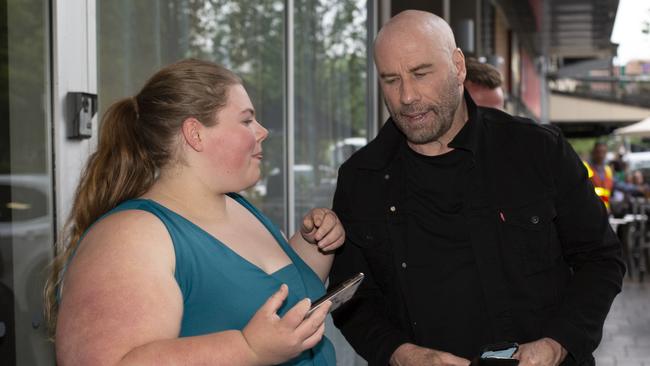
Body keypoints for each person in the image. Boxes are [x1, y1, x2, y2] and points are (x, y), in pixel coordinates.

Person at [329, 10, 625, 366]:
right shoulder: (361, 178)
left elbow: (601, 259)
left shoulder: (538, 150)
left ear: (458, 66)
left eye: (421, 73)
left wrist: (557, 344)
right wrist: (401, 354)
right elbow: (352, 299)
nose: (406, 96)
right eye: (391, 80)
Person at [44, 59, 345, 365]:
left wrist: (314, 243)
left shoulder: (240, 207)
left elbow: (278, 295)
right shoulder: (130, 236)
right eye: (246, 120)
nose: (263, 131)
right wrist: (246, 349)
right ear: (195, 134)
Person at [582, 142, 614, 210]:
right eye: (598, 152)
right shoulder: (586, 167)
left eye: (603, 152)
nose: (601, 155)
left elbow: (616, 184)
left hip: (605, 208)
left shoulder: (607, 169)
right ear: (593, 152)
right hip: (590, 208)